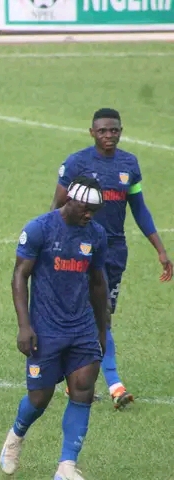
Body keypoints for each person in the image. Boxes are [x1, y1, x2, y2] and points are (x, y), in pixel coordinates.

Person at [50, 108, 172, 408]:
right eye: (103, 130)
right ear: (92, 132)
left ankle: (76, 377)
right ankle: (115, 385)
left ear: (121, 131)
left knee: (100, 316)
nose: (109, 135)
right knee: (98, 314)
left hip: (115, 251)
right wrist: (54, 244)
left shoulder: (129, 165)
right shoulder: (77, 163)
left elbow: (139, 208)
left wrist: (159, 248)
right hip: (80, 248)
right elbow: (57, 206)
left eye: (114, 130)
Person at [0, 176, 110, 479]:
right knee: (39, 398)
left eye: (94, 211)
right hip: (45, 328)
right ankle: (16, 436)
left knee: (83, 390)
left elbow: (97, 283)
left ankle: (66, 466)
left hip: (82, 327)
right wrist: (24, 326)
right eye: (85, 208)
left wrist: (102, 330)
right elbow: (20, 275)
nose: (89, 215)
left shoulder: (96, 235)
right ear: (70, 199)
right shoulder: (40, 229)